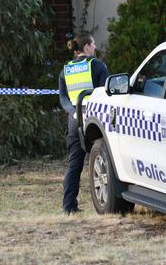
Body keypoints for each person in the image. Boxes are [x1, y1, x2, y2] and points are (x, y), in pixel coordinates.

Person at [58, 33, 108, 215]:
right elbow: (106, 93)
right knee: (105, 162)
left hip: (75, 121)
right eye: (93, 43)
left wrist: (73, 112)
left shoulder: (66, 70)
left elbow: (63, 98)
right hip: (96, 122)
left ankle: (68, 206)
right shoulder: (98, 66)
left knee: (74, 165)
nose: (95, 47)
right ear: (87, 47)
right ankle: (108, 202)